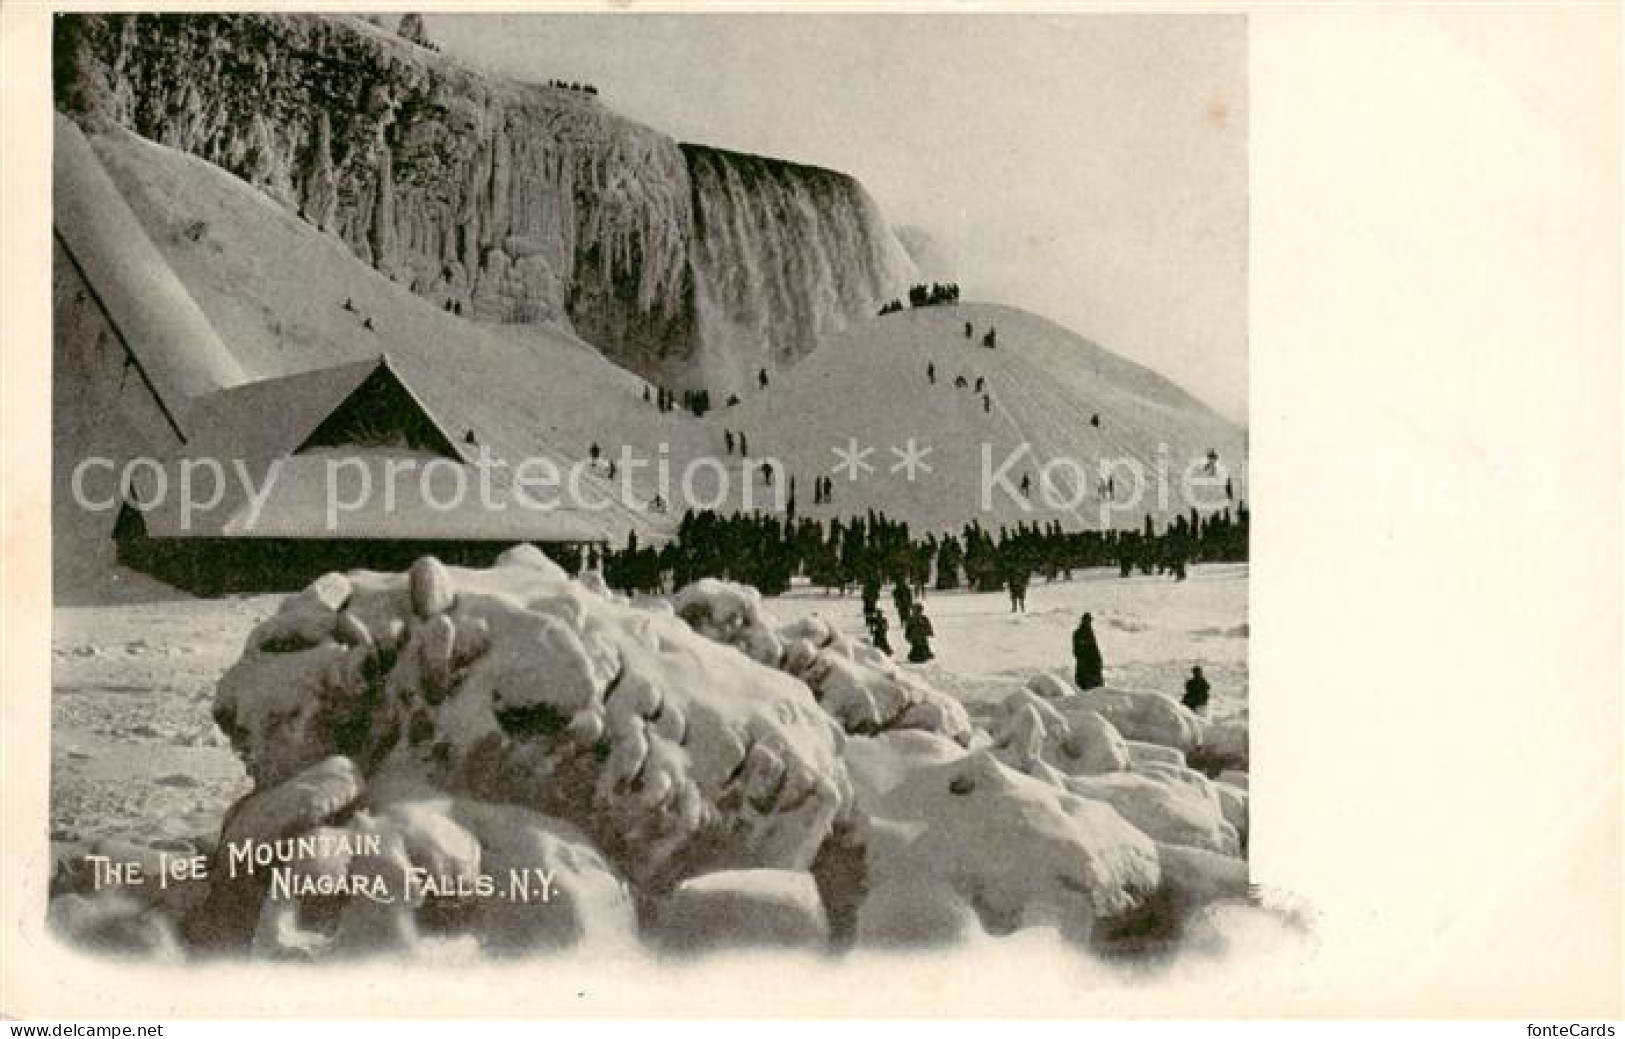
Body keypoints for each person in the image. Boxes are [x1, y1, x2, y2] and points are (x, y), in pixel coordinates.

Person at [1072, 612, 1103, 690]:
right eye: (1088, 621)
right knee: (1086, 685)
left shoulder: (1089, 632)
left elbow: (1094, 647)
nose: (1089, 623)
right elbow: (1077, 650)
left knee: (1096, 686)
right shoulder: (1078, 633)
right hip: (1085, 665)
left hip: (1093, 663)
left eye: (1089, 621)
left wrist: (1098, 660)